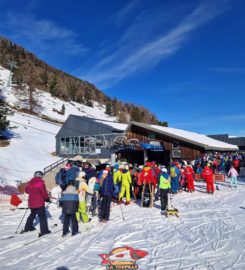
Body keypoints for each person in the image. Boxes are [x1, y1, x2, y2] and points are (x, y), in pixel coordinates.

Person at [23, 171, 51, 237]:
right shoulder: (40, 183)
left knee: (32, 215)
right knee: (42, 216)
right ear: (40, 176)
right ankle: (44, 231)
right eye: (42, 176)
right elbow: (43, 192)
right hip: (39, 202)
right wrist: (47, 198)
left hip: (31, 202)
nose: (42, 177)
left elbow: (27, 191)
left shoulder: (30, 182)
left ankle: (27, 228)